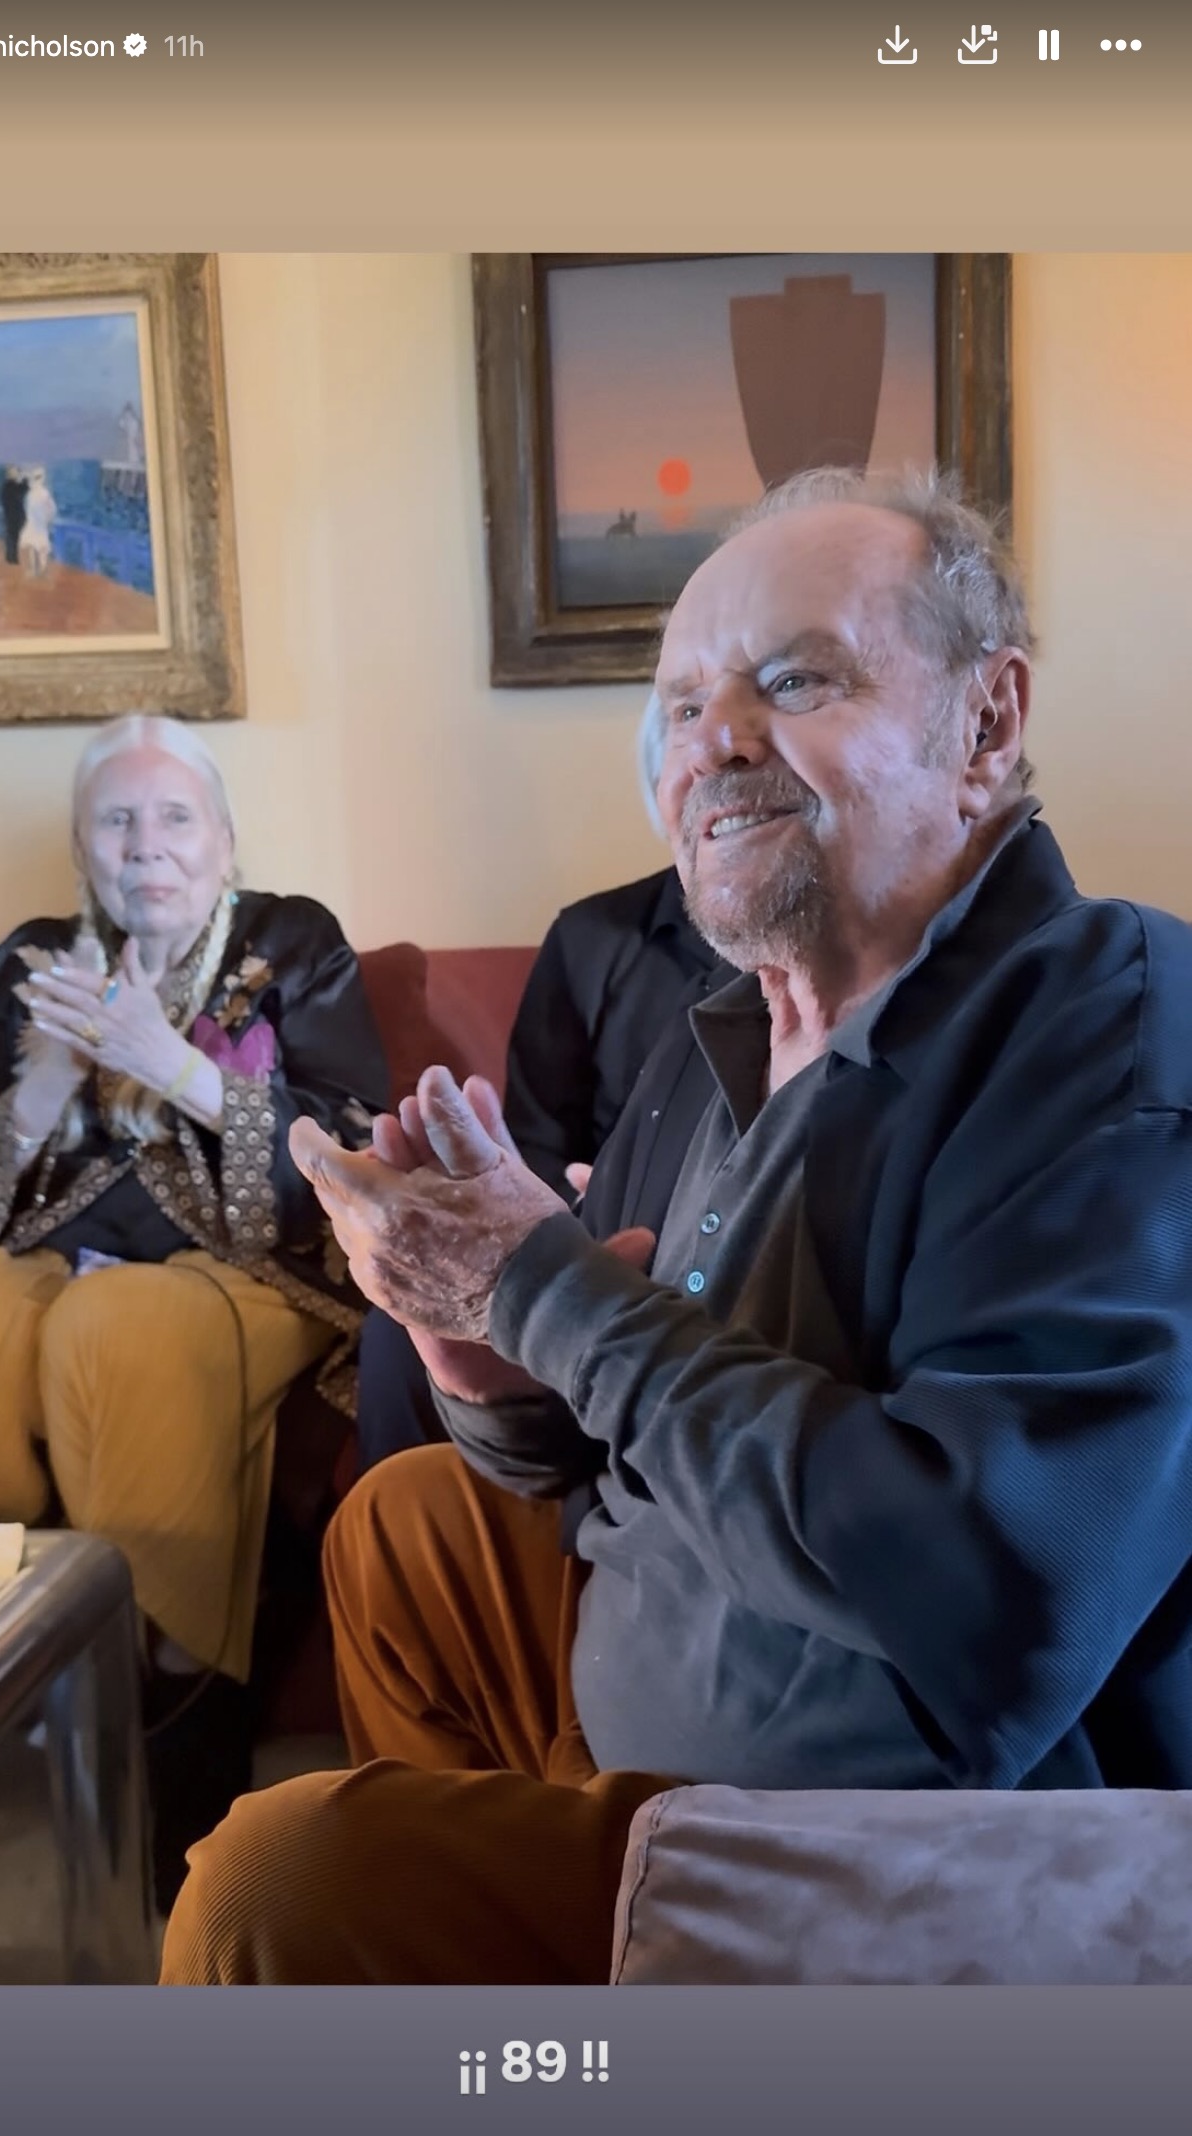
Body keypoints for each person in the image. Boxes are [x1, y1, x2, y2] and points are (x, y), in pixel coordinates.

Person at [161, 467, 1191, 1987]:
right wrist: (480, 1346)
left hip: (910, 1842)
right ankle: (554, 1978)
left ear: (987, 725)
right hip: (663, 1693)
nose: (715, 737)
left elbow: (997, 1604)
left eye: (794, 678)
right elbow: (590, 1448)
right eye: (684, 698)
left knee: (276, 1883)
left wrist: (542, 1286)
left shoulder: (1106, 1026)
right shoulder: (715, 1039)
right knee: (407, 1529)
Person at [0, 713, 391, 1908]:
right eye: (117, 819)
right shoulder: (29, 965)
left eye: (175, 818)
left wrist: (175, 1066)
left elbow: (344, 1160)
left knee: (119, 1331)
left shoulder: (293, 942)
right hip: (45, 1262)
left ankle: (168, 1728)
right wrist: (46, 1083)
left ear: (224, 841)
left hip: (248, 1271)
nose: (146, 845)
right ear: (81, 847)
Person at [355, 701, 723, 1470]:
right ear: (657, 790)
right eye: (684, 754)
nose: (718, 780)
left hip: (716, 1246)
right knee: (398, 1320)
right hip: (587, 1228)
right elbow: (538, 1139)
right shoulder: (594, 939)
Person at [19, 467, 56, 577]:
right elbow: (52, 509)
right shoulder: (44, 493)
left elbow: (27, 508)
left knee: (33, 546)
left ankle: (34, 570)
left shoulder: (31, 494)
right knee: (41, 547)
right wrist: (48, 519)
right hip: (39, 523)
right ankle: (42, 570)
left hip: (33, 522)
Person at [0, 466, 29, 566]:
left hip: (8, 515)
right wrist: (25, 480)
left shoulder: (5, 487)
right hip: (15, 516)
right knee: (14, 537)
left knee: (10, 536)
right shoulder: (13, 486)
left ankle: (9, 556)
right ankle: (13, 558)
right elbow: (23, 490)